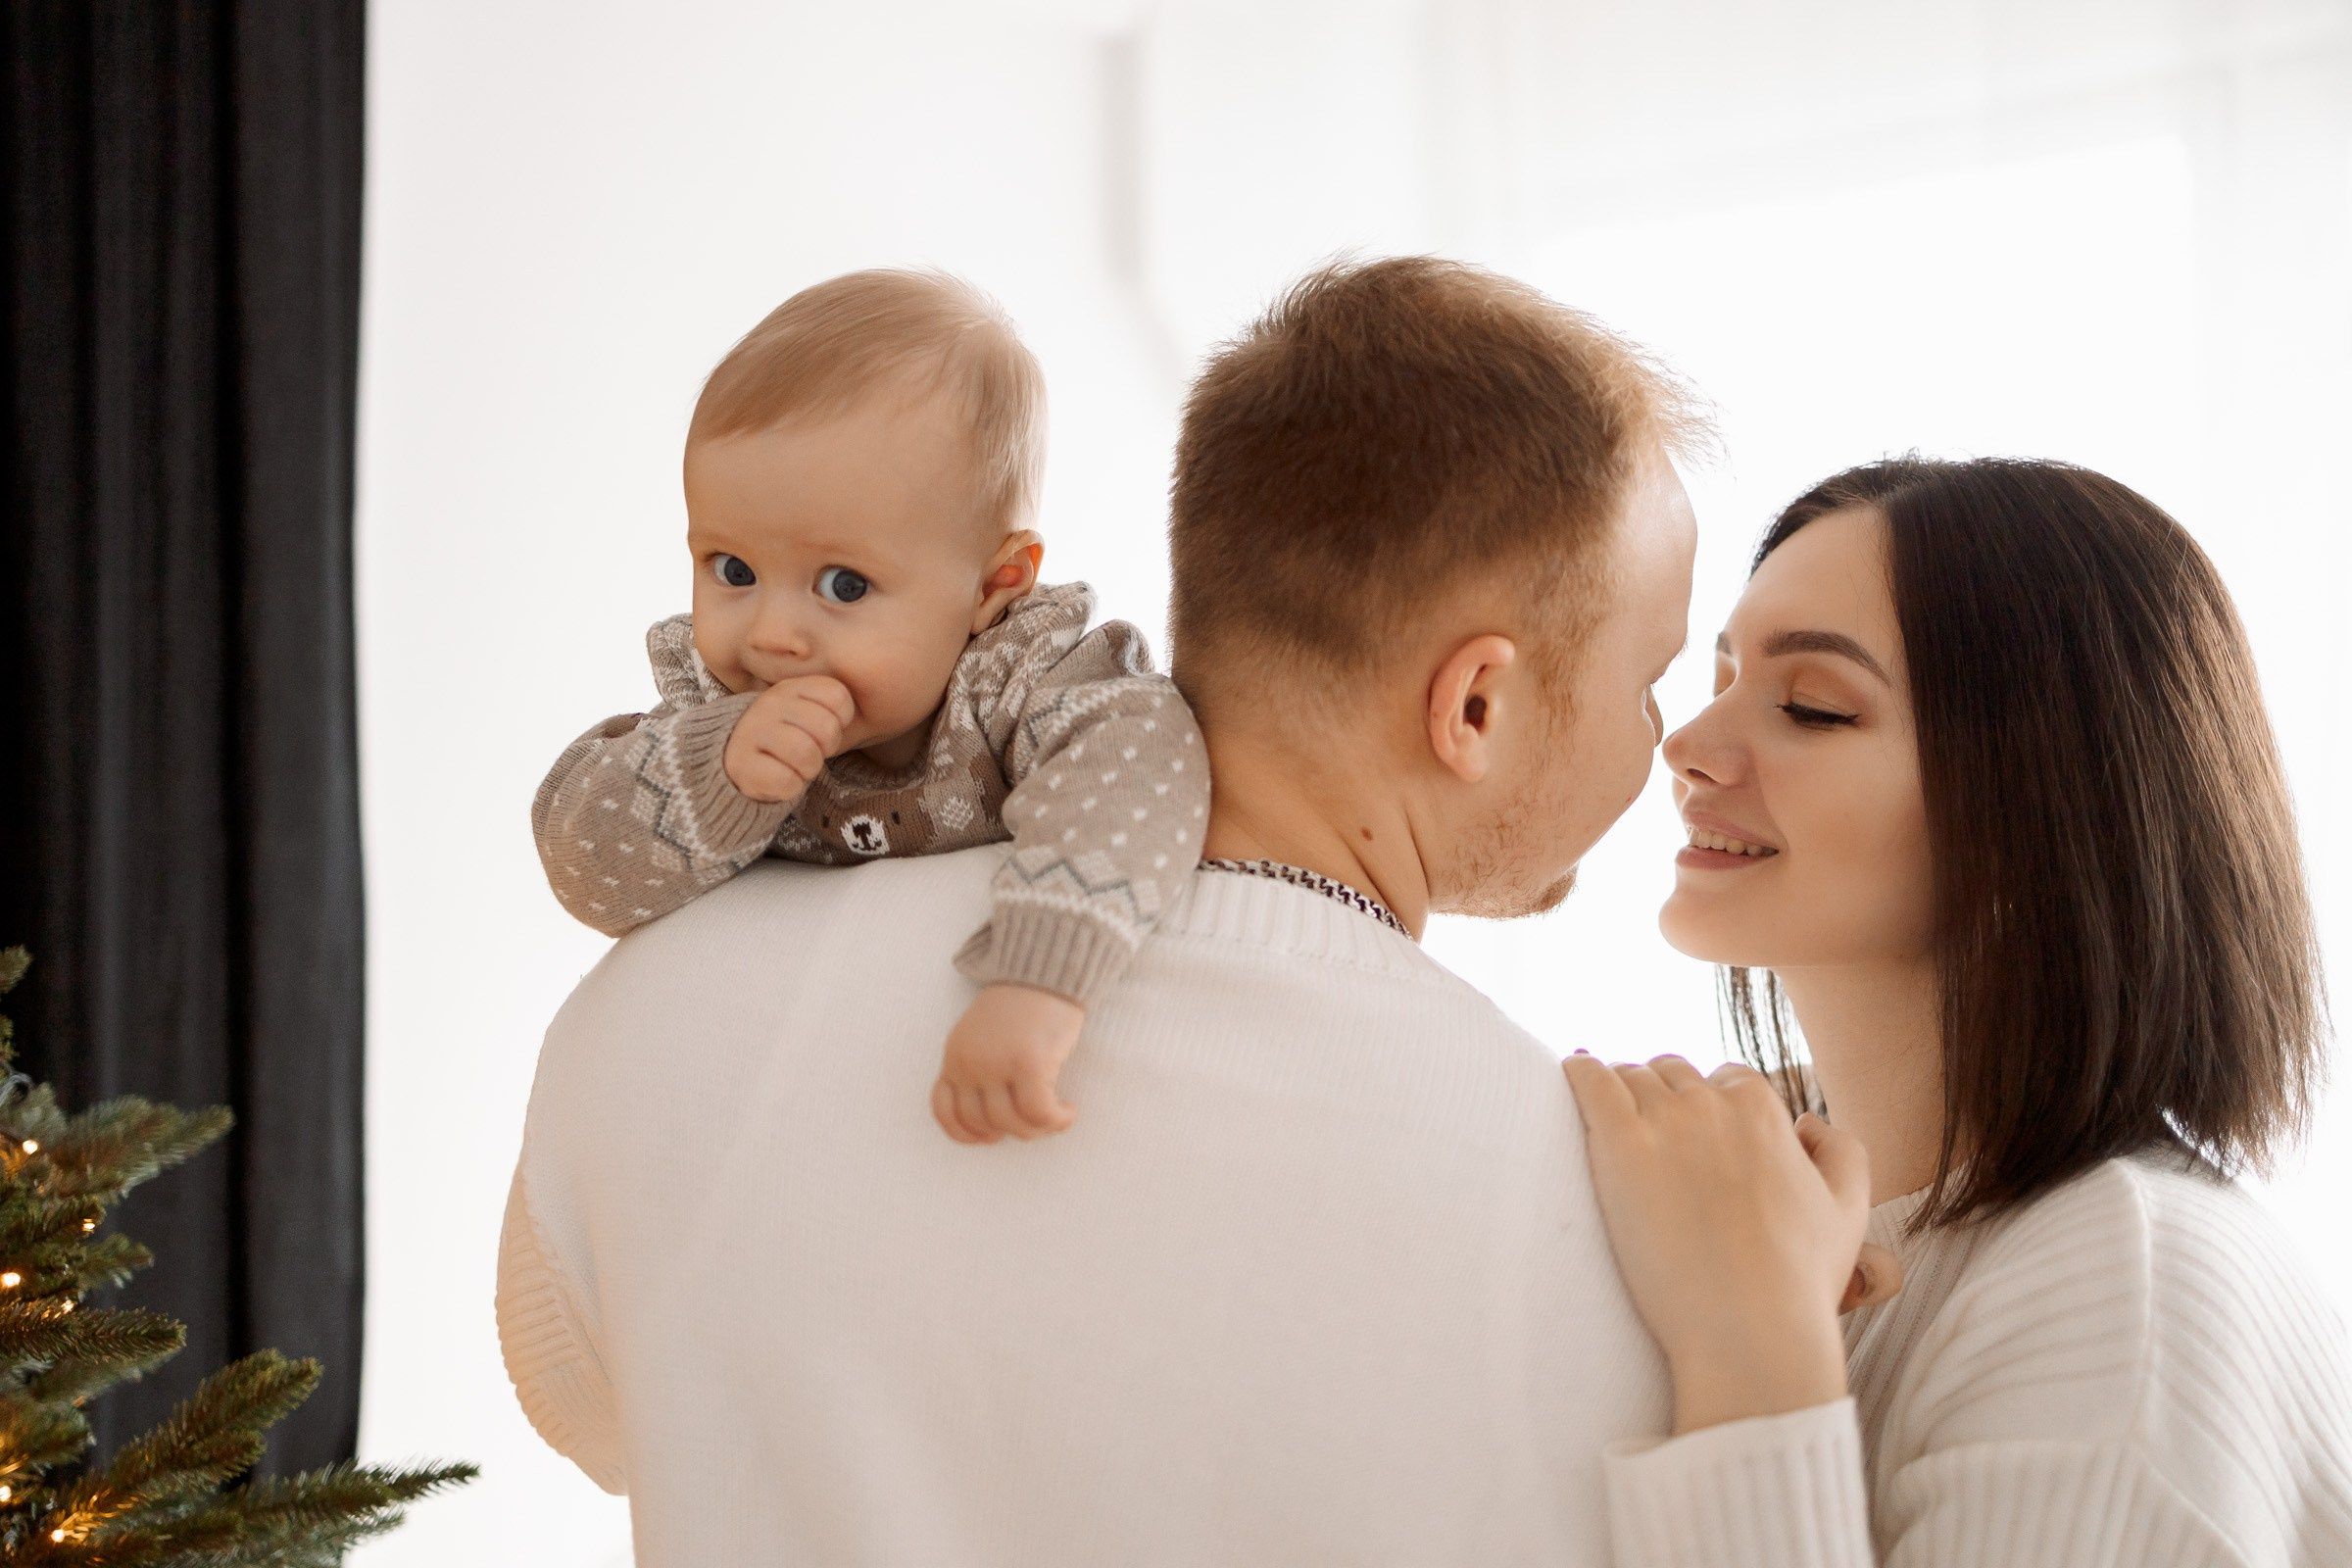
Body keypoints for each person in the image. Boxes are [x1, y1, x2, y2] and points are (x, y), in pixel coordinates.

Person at [498, 256, 1700, 1564]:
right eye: (1650, 678)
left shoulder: (644, 1013)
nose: (1670, 739)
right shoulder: (1618, 1223)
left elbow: (593, 1416)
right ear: (1474, 704)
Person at [1566, 457, 2352, 1566]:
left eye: (1810, 707)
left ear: (2043, 805)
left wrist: (1752, 1353)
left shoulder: (2120, 1303)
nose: (1685, 747)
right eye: (1722, 675)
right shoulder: (1762, 1189)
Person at [529, 270, 1208, 1144]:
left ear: (992, 587)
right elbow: (579, 858)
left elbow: (1143, 760)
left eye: (843, 585)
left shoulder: (1015, 682)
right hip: (790, 1113)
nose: (771, 634)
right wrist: (714, 772)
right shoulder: (716, 708)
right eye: (732, 570)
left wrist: (1041, 977)